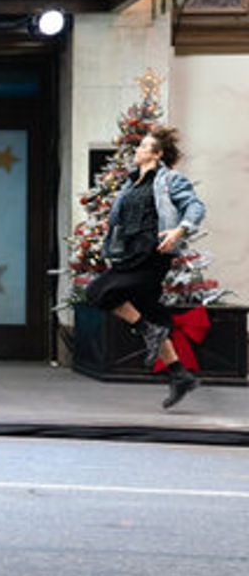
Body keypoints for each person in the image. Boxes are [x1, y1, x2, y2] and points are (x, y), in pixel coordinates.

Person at [86, 126, 206, 409]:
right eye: (139, 146)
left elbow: (196, 207)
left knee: (98, 292)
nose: (137, 150)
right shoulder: (131, 183)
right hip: (129, 254)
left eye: (144, 146)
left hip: (152, 253)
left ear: (158, 154)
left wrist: (179, 231)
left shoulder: (169, 180)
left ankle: (150, 332)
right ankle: (180, 375)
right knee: (150, 313)